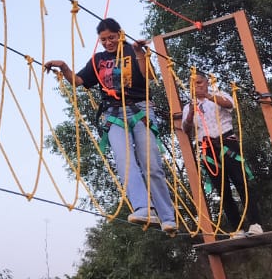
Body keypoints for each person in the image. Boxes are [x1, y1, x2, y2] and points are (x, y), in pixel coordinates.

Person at [44, 18, 177, 232]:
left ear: (120, 34)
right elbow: (78, 81)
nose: (108, 43)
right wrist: (64, 67)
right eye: (103, 40)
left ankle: (168, 217)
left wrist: (140, 52)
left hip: (141, 110)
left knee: (151, 165)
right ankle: (144, 208)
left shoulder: (133, 50)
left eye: (111, 38)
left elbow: (149, 76)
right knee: (124, 161)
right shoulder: (98, 59)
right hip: (114, 114)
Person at [180, 73, 264, 238]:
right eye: (193, 84)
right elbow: (186, 129)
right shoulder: (189, 106)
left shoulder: (219, 94)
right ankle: (237, 228)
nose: (197, 86)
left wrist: (208, 96)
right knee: (222, 190)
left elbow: (229, 104)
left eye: (199, 82)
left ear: (206, 82)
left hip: (226, 143)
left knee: (241, 183)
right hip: (207, 149)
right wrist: (190, 113)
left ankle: (255, 223)